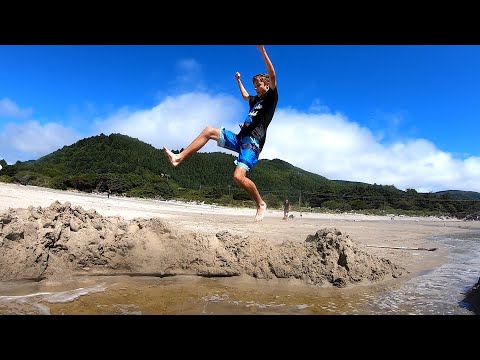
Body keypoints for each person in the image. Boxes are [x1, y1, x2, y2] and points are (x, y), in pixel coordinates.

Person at [163, 45, 278, 222]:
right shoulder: (254, 100)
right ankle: (179, 158)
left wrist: (262, 51)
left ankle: (260, 203)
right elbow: (245, 96)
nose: (255, 87)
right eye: (254, 84)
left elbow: (273, 74)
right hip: (240, 138)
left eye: (258, 84)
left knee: (238, 177)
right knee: (209, 130)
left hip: (253, 144)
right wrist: (238, 81)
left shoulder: (271, 98)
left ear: (267, 84)